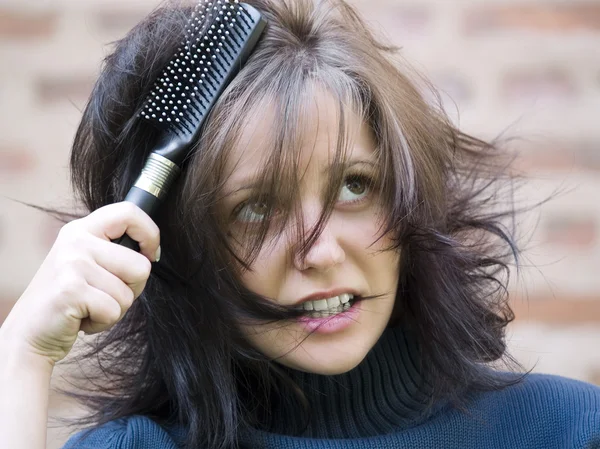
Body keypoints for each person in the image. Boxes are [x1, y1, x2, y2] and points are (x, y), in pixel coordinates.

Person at [1, 0, 599, 448]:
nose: (320, 251)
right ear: (177, 247)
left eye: (355, 186)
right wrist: (23, 354)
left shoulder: (569, 430)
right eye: (257, 208)